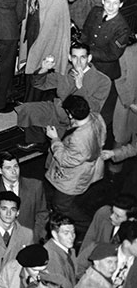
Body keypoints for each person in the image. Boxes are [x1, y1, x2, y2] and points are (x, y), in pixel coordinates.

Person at [45, 94, 105, 233]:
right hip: (89, 166)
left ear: (71, 114)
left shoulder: (80, 138)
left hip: (73, 176)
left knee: (62, 204)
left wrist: (54, 139)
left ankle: (87, 227)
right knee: (63, 201)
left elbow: (65, 160)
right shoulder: (96, 117)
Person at [0, 153, 50, 235]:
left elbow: (42, 215)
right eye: (8, 168)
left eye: (15, 166)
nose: (14, 171)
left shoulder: (35, 186)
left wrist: (35, 238)